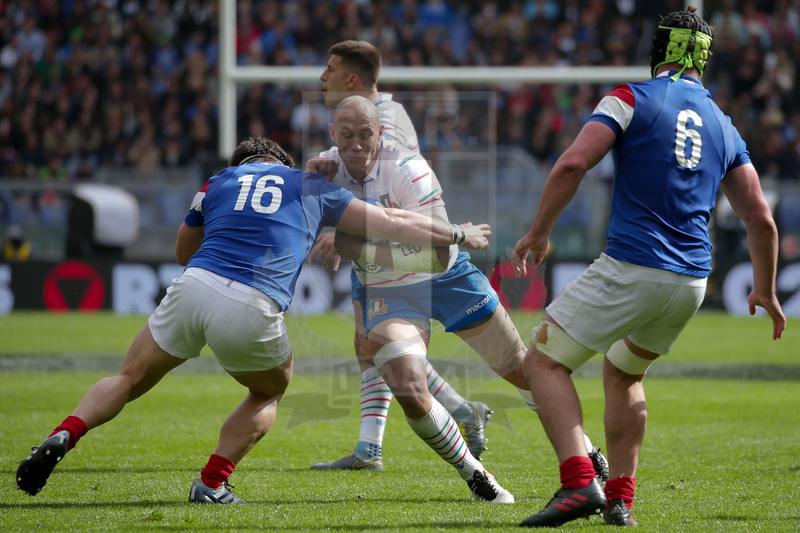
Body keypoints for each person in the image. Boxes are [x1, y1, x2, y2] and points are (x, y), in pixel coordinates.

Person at [15, 137, 493, 504]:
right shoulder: (310, 186)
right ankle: (211, 484)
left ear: (242, 162)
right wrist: (455, 232)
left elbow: (184, 252)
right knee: (268, 390)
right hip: (252, 301)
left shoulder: (218, 181)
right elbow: (395, 224)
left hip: (195, 285)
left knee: (128, 377)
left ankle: (67, 431)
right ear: (280, 163)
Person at [511, 7, 786, 528]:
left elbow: (572, 163)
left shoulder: (629, 97)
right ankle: (620, 499)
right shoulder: (724, 126)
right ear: (704, 63)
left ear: (657, 51)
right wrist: (766, 289)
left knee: (543, 363)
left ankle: (577, 484)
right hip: (691, 282)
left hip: (634, 264)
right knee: (624, 370)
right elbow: (762, 220)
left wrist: (539, 232)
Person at [308, 96, 608, 504]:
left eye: (366, 135)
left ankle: (587, 450)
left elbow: (437, 254)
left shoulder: (408, 171)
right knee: (406, 382)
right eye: (346, 135)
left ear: (380, 134)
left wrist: (357, 248)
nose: (356, 144)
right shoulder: (325, 168)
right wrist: (313, 184)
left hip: (447, 277)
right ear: (333, 135)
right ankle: (477, 476)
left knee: (522, 370)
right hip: (388, 292)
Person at [311, 40, 492, 469]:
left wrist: (347, 228)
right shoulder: (366, 118)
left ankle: (459, 414)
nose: (323, 78)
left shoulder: (386, 122)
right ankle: (373, 446)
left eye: (330, 69)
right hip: (381, 247)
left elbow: (389, 194)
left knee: (386, 348)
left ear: (352, 79)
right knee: (369, 346)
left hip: (403, 253)